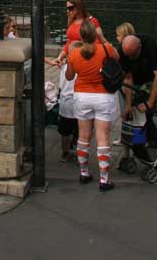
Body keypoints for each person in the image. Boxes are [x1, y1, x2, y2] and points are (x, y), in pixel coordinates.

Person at [66, 20, 119, 191]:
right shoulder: (106, 49)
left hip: (82, 96)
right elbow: (117, 60)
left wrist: (70, 57)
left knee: (83, 136)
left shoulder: (74, 54)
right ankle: (104, 179)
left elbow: (68, 76)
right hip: (104, 96)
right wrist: (103, 40)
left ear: (81, 36)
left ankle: (84, 172)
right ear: (95, 34)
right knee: (103, 136)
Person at [117, 32, 157, 173]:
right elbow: (128, 78)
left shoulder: (151, 44)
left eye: (133, 56)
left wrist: (150, 102)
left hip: (150, 81)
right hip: (133, 83)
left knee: (149, 115)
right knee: (133, 118)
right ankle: (136, 151)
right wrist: (128, 105)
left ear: (140, 47)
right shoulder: (122, 51)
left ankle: (153, 146)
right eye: (128, 56)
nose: (131, 59)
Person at [53, 0, 104, 66]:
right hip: (71, 60)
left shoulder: (92, 21)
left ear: (78, 7)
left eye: (70, 8)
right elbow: (70, 41)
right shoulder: (72, 21)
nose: (68, 11)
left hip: (85, 61)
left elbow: (96, 43)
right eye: (67, 8)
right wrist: (60, 57)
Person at [57, 42, 79, 162]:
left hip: (65, 104)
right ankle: (77, 151)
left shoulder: (64, 68)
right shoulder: (82, 68)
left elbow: (61, 86)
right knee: (79, 131)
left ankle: (64, 153)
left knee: (64, 132)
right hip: (78, 104)